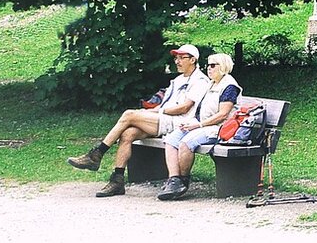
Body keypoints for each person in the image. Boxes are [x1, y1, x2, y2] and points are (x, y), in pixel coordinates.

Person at [68, 43, 211, 197]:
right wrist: (149, 112)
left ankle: (96, 154)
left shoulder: (200, 81)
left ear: (193, 60)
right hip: (164, 119)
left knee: (129, 114)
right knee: (128, 134)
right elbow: (164, 104)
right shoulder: (177, 80)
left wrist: (155, 111)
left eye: (182, 58)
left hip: (179, 123)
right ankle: (117, 179)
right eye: (176, 58)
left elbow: (185, 108)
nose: (177, 61)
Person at [156, 51, 242, 200]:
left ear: (223, 66)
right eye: (208, 65)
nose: (209, 68)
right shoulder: (211, 84)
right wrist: (191, 122)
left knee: (186, 143)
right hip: (203, 124)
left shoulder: (229, 86)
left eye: (213, 65)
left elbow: (222, 115)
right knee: (171, 140)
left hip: (220, 128)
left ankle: (184, 180)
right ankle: (174, 180)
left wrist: (198, 125)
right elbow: (201, 111)